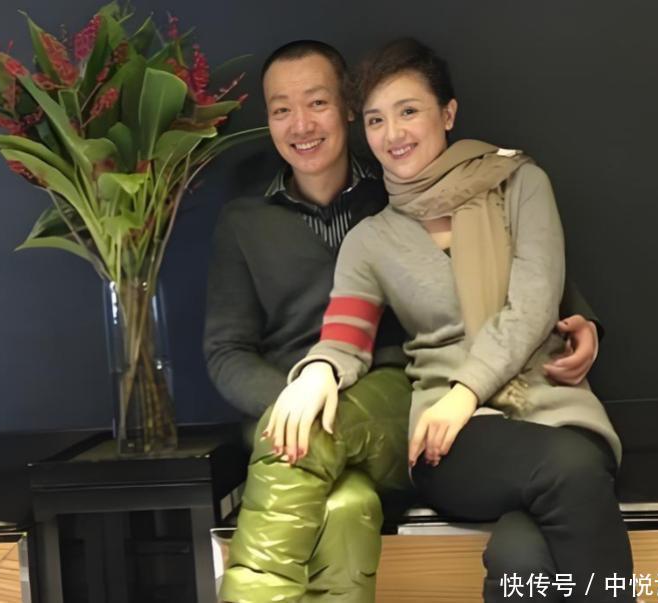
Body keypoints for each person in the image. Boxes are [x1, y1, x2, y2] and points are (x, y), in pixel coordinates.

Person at [206, 40, 605, 603]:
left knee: (523, 553)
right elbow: (308, 338)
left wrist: (580, 315)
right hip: (397, 416)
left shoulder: (437, 184)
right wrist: (310, 382)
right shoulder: (316, 229)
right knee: (337, 493)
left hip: (456, 399)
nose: (301, 123)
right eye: (281, 109)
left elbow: (531, 284)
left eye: (317, 102)